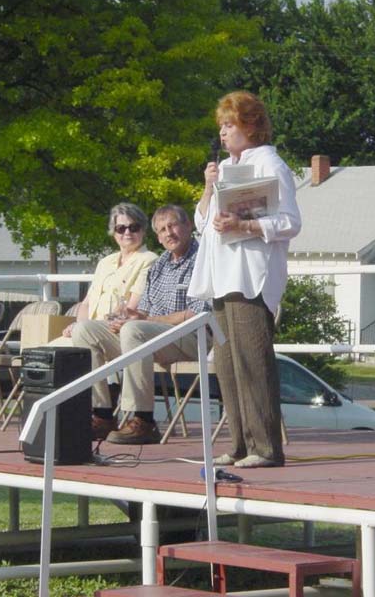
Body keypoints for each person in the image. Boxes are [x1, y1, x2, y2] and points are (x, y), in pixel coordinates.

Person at [189, 91, 301, 468]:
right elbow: (202, 224)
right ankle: (239, 442)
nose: (223, 133)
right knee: (227, 362)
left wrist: (246, 224)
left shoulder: (270, 162)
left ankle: (266, 447)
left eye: (229, 124)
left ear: (250, 125)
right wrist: (208, 186)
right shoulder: (227, 167)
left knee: (253, 360)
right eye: (221, 125)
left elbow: (290, 221)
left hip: (251, 274)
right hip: (221, 275)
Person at [73, 205, 209, 444]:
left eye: (173, 226)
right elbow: (143, 311)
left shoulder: (204, 260)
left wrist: (141, 321)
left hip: (192, 337)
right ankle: (102, 414)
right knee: (85, 330)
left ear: (188, 226)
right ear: (157, 236)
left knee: (135, 330)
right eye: (162, 230)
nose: (169, 233)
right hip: (154, 338)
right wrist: (127, 318)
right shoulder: (160, 265)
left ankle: (143, 420)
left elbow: (195, 313)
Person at [59, 203, 157, 342]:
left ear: (143, 231)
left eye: (134, 227)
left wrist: (85, 328)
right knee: (52, 352)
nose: (127, 233)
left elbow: (131, 309)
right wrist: (79, 325)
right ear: (114, 233)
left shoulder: (149, 260)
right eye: (121, 228)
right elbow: (86, 303)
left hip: (120, 331)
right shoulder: (105, 262)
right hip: (90, 329)